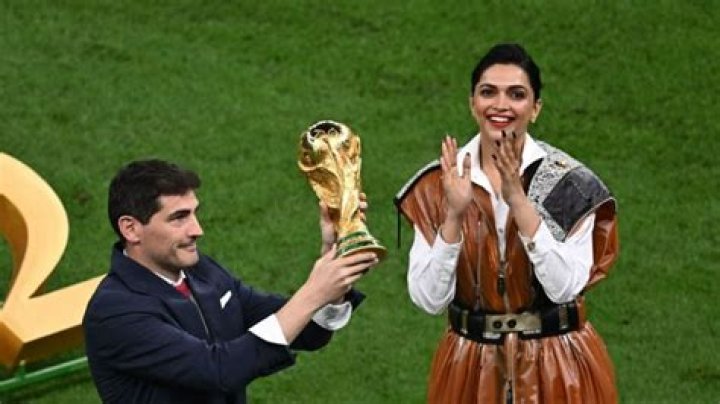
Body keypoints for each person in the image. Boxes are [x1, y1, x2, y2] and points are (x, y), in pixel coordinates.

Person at [394, 43, 619, 403]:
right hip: (469, 370)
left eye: (516, 94)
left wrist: (519, 202)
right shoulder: (437, 185)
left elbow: (564, 289)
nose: (501, 105)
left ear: (536, 108)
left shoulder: (571, 185)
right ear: (472, 103)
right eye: (488, 92)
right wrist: (453, 215)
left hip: (560, 369)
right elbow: (428, 299)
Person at [83, 159, 378, 404]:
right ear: (131, 229)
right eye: (179, 218)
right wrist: (313, 292)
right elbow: (219, 370)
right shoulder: (114, 313)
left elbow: (307, 332)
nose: (197, 230)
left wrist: (335, 259)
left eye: (194, 214)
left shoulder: (202, 272)